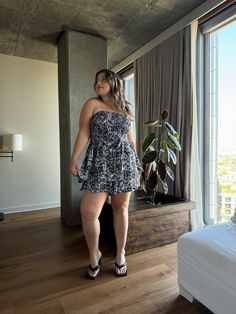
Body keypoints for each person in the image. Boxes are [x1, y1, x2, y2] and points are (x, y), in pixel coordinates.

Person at [70, 69, 142, 280]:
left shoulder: (124, 109)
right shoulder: (92, 105)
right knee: (89, 213)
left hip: (124, 163)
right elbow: (84, 132)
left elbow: (131, 140)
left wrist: (136, 164)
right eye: (96, 80)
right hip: (99, 162)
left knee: (121, 209)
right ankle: (95, 253)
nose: (98, 83)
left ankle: (120, 254)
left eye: (103, 80)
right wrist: (74, 158)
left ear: (114, 83)